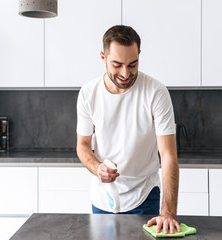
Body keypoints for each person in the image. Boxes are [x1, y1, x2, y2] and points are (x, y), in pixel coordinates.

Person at [76, 25, 180, 234]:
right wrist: (97, 168)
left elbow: (168, 155)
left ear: (139, 55)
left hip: (144, 195)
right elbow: (83, 146)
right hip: (103, 198)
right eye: (117, 65)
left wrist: (168, 212)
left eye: (133, 64)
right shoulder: (89, 93)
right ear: (103, 57)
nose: (125, 73)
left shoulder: (156, 92)